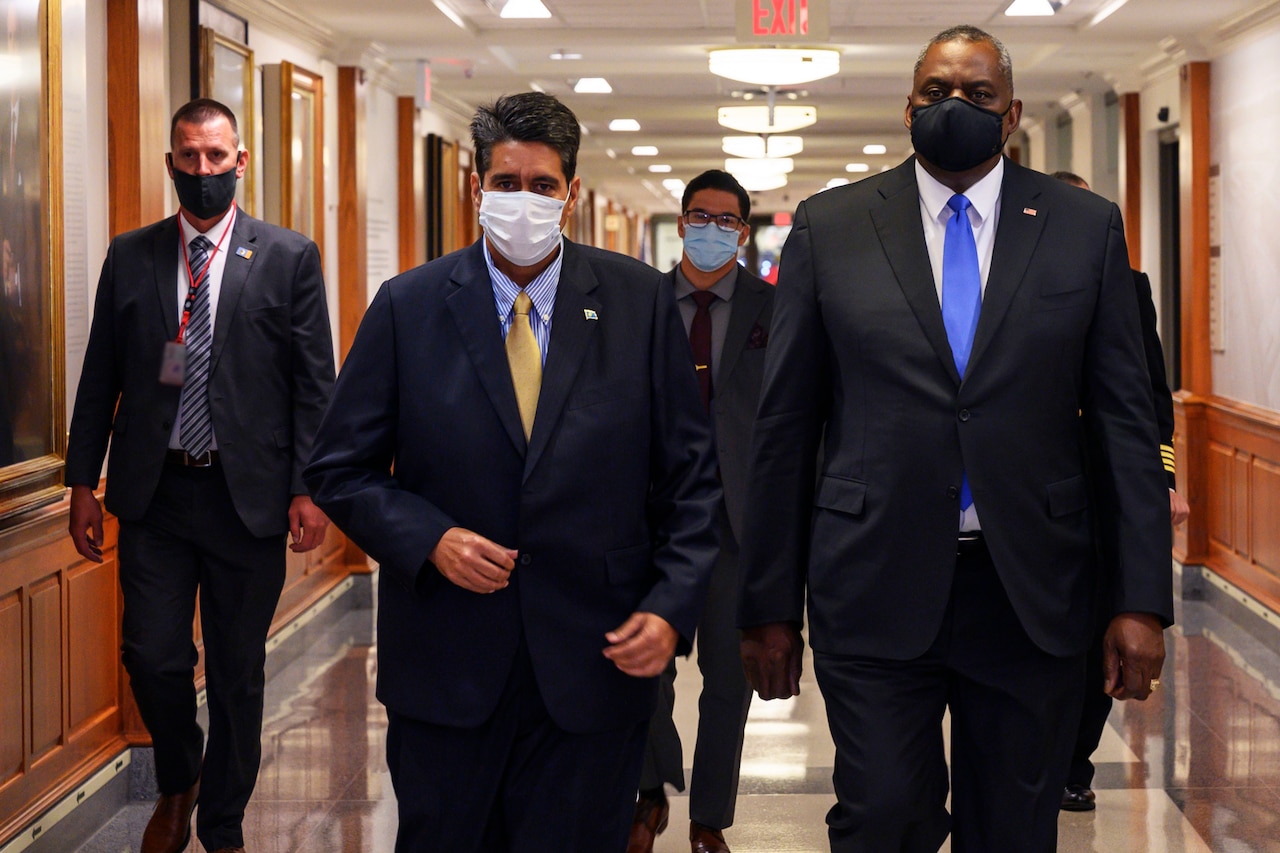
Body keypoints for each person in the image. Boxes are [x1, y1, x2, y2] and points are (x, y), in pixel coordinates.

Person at [736, 25, 1175, 852]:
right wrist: (767, 606)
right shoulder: (832, 229)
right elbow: (785, 428)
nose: (955, 108)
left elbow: (1125, 422)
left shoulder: (1084, 228)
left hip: (1029, 589)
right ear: (908, 107)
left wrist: (1140, 598)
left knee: (1012, 827)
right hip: (872, 578)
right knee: (881, 815)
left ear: (1010, 113)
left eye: (976, 95)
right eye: (937, 92)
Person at [303, 91, 721, 853]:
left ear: (572, 194)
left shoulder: (637, 304)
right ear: (475, 188)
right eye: (505, 182)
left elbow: (692, 481)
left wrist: (670, 608)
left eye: (542, 185)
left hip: (596, 663)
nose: (522, 200)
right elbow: (339, 466)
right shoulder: (409, 307)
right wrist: (429, 537)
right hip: (447, 665)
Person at [65, 98, 335, 853]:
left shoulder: (287, 256)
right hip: (156, 491)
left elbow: (316, 384)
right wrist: (82, 479)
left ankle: (220, 822)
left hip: (246, 498)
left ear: (241, 162)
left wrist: (311, 487)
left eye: (218, 157)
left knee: (239, 669)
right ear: (171, 163)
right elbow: (100, 377)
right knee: (152, 654)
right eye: (190, 157)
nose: (204, 171)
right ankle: (180, 773)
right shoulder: (133, 255)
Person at [630, 170, 773, 853]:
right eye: (699, 216)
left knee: (728, 681)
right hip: (650, 521)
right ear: (681, 221)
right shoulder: (641, 303)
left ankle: (709, 816)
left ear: (743, 233)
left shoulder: (776, 310)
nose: (711, 229)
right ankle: (650, 789)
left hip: (736, 527)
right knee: (641, 667)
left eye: (727, 221)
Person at [1050, 170, 1191, 812]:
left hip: (1109, 490)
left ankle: (1073, 761)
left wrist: (1162, 480)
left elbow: (1150, 402)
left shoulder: (1129, 290)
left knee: (1098, 633)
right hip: (1039, 487)